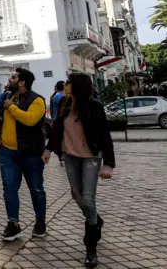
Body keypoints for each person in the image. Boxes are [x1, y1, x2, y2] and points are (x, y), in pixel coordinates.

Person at [43, 73, 115, 268]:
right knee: (77, 195)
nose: (65, 85)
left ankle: (91, 247)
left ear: (77, 86)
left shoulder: (94, 107)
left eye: (68, 82)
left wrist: (108, 164)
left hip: (91, 157)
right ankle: (96, 219)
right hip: (71, 156)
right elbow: (57, 129)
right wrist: (49, 148)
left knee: (88, 198)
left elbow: (105, 136)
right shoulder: (65, 104)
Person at [0, 68, 47, 241]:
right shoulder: (6, 97)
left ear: (22, 82)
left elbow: (30, 120)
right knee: (9, 188)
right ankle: (13, 224)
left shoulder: (37, 100)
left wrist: (13, 108)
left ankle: (40, 222)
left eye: (14, 77)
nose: (10, 79)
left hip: (30, 153)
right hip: (7, 152)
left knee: (36, 189)